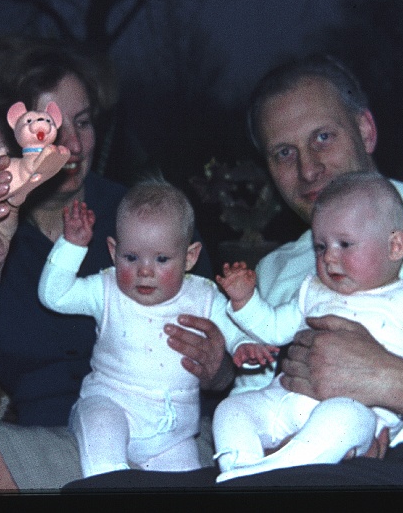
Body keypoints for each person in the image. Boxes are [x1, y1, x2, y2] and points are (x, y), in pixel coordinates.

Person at [64, 53, 403, 490]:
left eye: (323, 137)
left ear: (365, 130)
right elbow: (254, 414)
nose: (308, 168)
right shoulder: (276, 272)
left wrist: (388, 379)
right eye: (284, 153)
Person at [0, 35, 231, 492]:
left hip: (176, 439)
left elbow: (229, 356)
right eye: (48, 126)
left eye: (84, 122)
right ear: (1, 134)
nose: (72, 144)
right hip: (58, 448)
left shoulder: (147, 217)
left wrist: (219, 367)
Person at [211, 171, 403, 482]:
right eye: (321, 246)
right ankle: (239, 468)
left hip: (357, 415)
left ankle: (273, 471)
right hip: (283, 399)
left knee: (344, 419)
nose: (330, 258)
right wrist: (245, 301)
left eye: (345, 244)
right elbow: (273, 328)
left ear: (395, 246)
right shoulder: (313, 291)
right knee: (231, 411)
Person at [38, 180, 247, 478]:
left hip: (172, 430)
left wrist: (244, 347)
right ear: (113, 251)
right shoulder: (106, 289)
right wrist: (71, 247)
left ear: (190, 257)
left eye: (161, 259)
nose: (145, 270)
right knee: (104, 456)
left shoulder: (204, 296)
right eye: (131, 257)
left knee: (188, 481)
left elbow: (235, 331)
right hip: (110, 406)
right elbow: (53, 295)